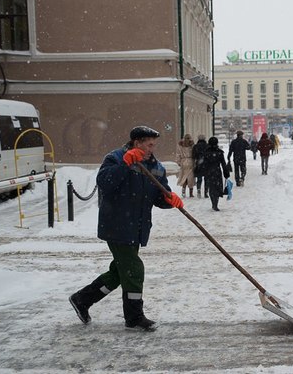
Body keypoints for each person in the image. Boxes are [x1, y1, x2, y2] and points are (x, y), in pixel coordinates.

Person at [69, 126, 184, 332]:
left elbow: (159, 195)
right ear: (136, 143)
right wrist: (125, 164)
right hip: (117, 225)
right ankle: (134, 317)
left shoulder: (155, 166)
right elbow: (105, 183)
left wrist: (170, 199)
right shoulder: (115, 158)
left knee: (121, 272)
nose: (151, 148)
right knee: (134, 269)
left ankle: (82, 299)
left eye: (153, 145)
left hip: (137, 227)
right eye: (148, 144)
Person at [204, 136, 230, 211]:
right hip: (217, 171)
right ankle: (216, 203)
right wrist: (226, 173)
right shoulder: (219, 152)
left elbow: (203, 164)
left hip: (209, 172)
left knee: (211, 188)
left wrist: (203, 171)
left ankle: (213, 203)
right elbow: (223, 164)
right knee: (217, 187)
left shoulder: (206, 152)